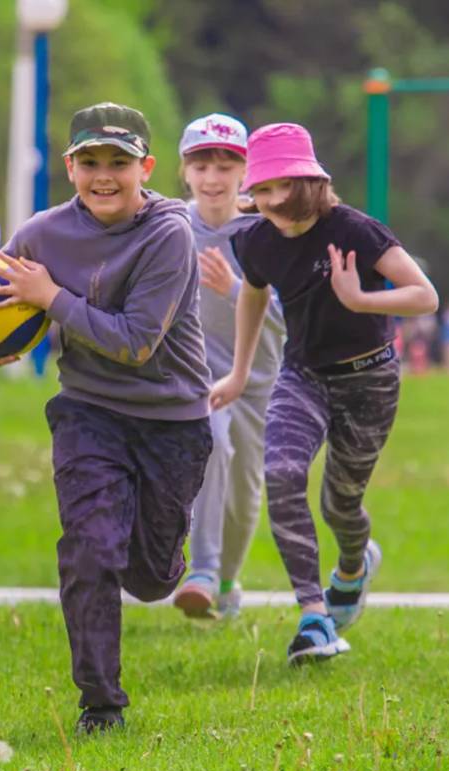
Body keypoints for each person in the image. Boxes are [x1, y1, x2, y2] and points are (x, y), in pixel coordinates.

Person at [0, 102, 212, 734]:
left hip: (171, 419)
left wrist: (53, 297)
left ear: (145, 168)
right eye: (90, 161)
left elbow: (136, 342)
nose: (104, 176)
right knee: (90, 549)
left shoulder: (169, 234)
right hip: (88, 413)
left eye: (119, 163)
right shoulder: (42, 234)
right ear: (69, 167)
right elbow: (2, 309)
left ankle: (163, 555)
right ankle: (101, 704)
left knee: (150, 580)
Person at [209, 123, 438, 666]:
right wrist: (240, 374)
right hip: (303, 377)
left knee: (341, 505)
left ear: (309, 182)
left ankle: (354, 568)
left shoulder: (355, 230)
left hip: (370, 381)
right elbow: (253, 298)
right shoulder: (255, 239)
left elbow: (424, 296)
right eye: (260, 190)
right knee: (283, 473)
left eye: (279, 188)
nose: (268, 202)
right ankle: (313, 617)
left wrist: (360, 301)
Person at [170, 114, 284, 621]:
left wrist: (236, 290)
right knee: (212, 443)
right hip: (198, 376)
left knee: (243, 492)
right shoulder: (171, 226)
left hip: (260, 383)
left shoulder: (265, 229)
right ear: (184, 171)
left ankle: (230, 579)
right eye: (200, 165)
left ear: (245, 173)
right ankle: (203, 571)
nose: (212, 178)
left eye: (224, 166)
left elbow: (289, 317)